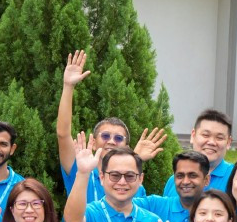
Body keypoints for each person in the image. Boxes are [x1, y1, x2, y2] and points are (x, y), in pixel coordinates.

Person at [55, 49, 168, 202]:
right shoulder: (79, 169)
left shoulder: (133, 183)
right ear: (93, 143)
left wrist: (133, 161)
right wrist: (68, 86)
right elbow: (63, 134)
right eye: (106, 135)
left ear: (127, 146)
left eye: (119, 138)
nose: (111, 141)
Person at [162, 108, 237, 198]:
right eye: (205, 135)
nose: (211, 142)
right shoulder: (174, 181)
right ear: (193, 136)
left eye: (219, 137)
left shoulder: (236, 177)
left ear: (228, 142)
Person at [141, 150, 209, 222]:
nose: (185, 182)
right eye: (180, 176)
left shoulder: (215, 215)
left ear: (206, 180)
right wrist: (137, 160)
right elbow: (121, 204)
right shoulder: (155, 205)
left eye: (192, 175)